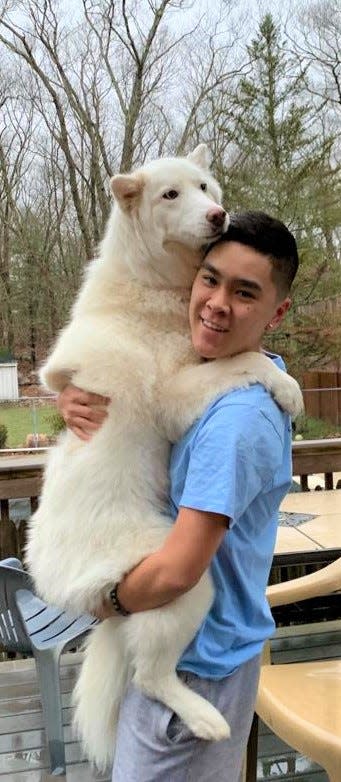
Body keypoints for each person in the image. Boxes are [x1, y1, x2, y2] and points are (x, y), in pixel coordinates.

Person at [57, 211, 299, 782]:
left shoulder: (234, 422)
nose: (216, 303)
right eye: (209, 278)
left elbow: (176, 572)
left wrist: (107, 602)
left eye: (245, 293)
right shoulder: (242, 370)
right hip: (207, 646)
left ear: (276, 311)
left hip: (189, 661)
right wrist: (74, 390)